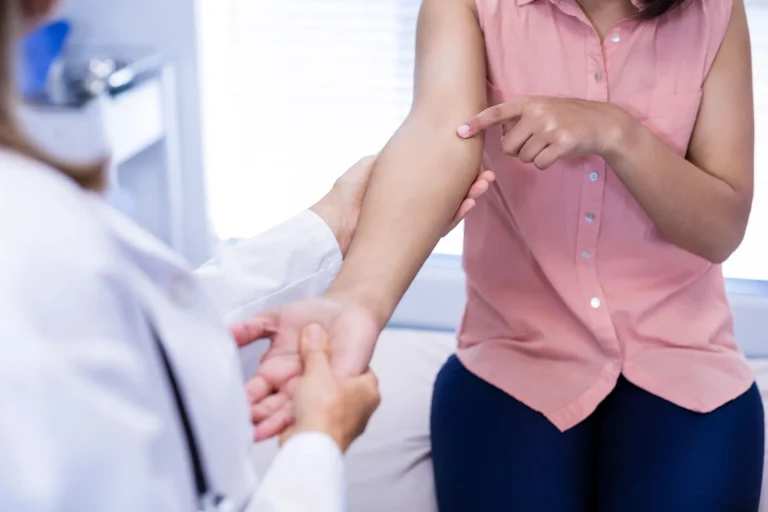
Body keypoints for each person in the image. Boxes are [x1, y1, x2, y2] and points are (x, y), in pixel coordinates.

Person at [235, 0, 765, 510]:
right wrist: (354, 302)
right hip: (512, 357)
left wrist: (619, 132)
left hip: (685, 359)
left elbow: (721, 229)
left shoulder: (715, 10)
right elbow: (438, 136)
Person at [0, 1, 496, 510]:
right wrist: (317, 443)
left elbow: (146, 334)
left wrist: (331, 229)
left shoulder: (38, 223)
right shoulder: (36, 251)